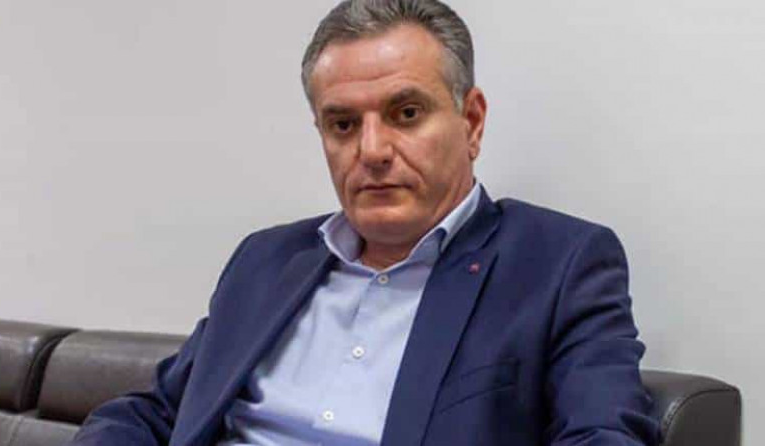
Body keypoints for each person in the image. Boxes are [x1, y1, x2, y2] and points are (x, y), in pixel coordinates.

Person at [69, 1, 659, 445]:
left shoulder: (559, 264)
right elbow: (156, 412)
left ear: (472, 122)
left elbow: (605, 436)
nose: (372, 151)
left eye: (406, 113)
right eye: (343, 125)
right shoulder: (265, 260)